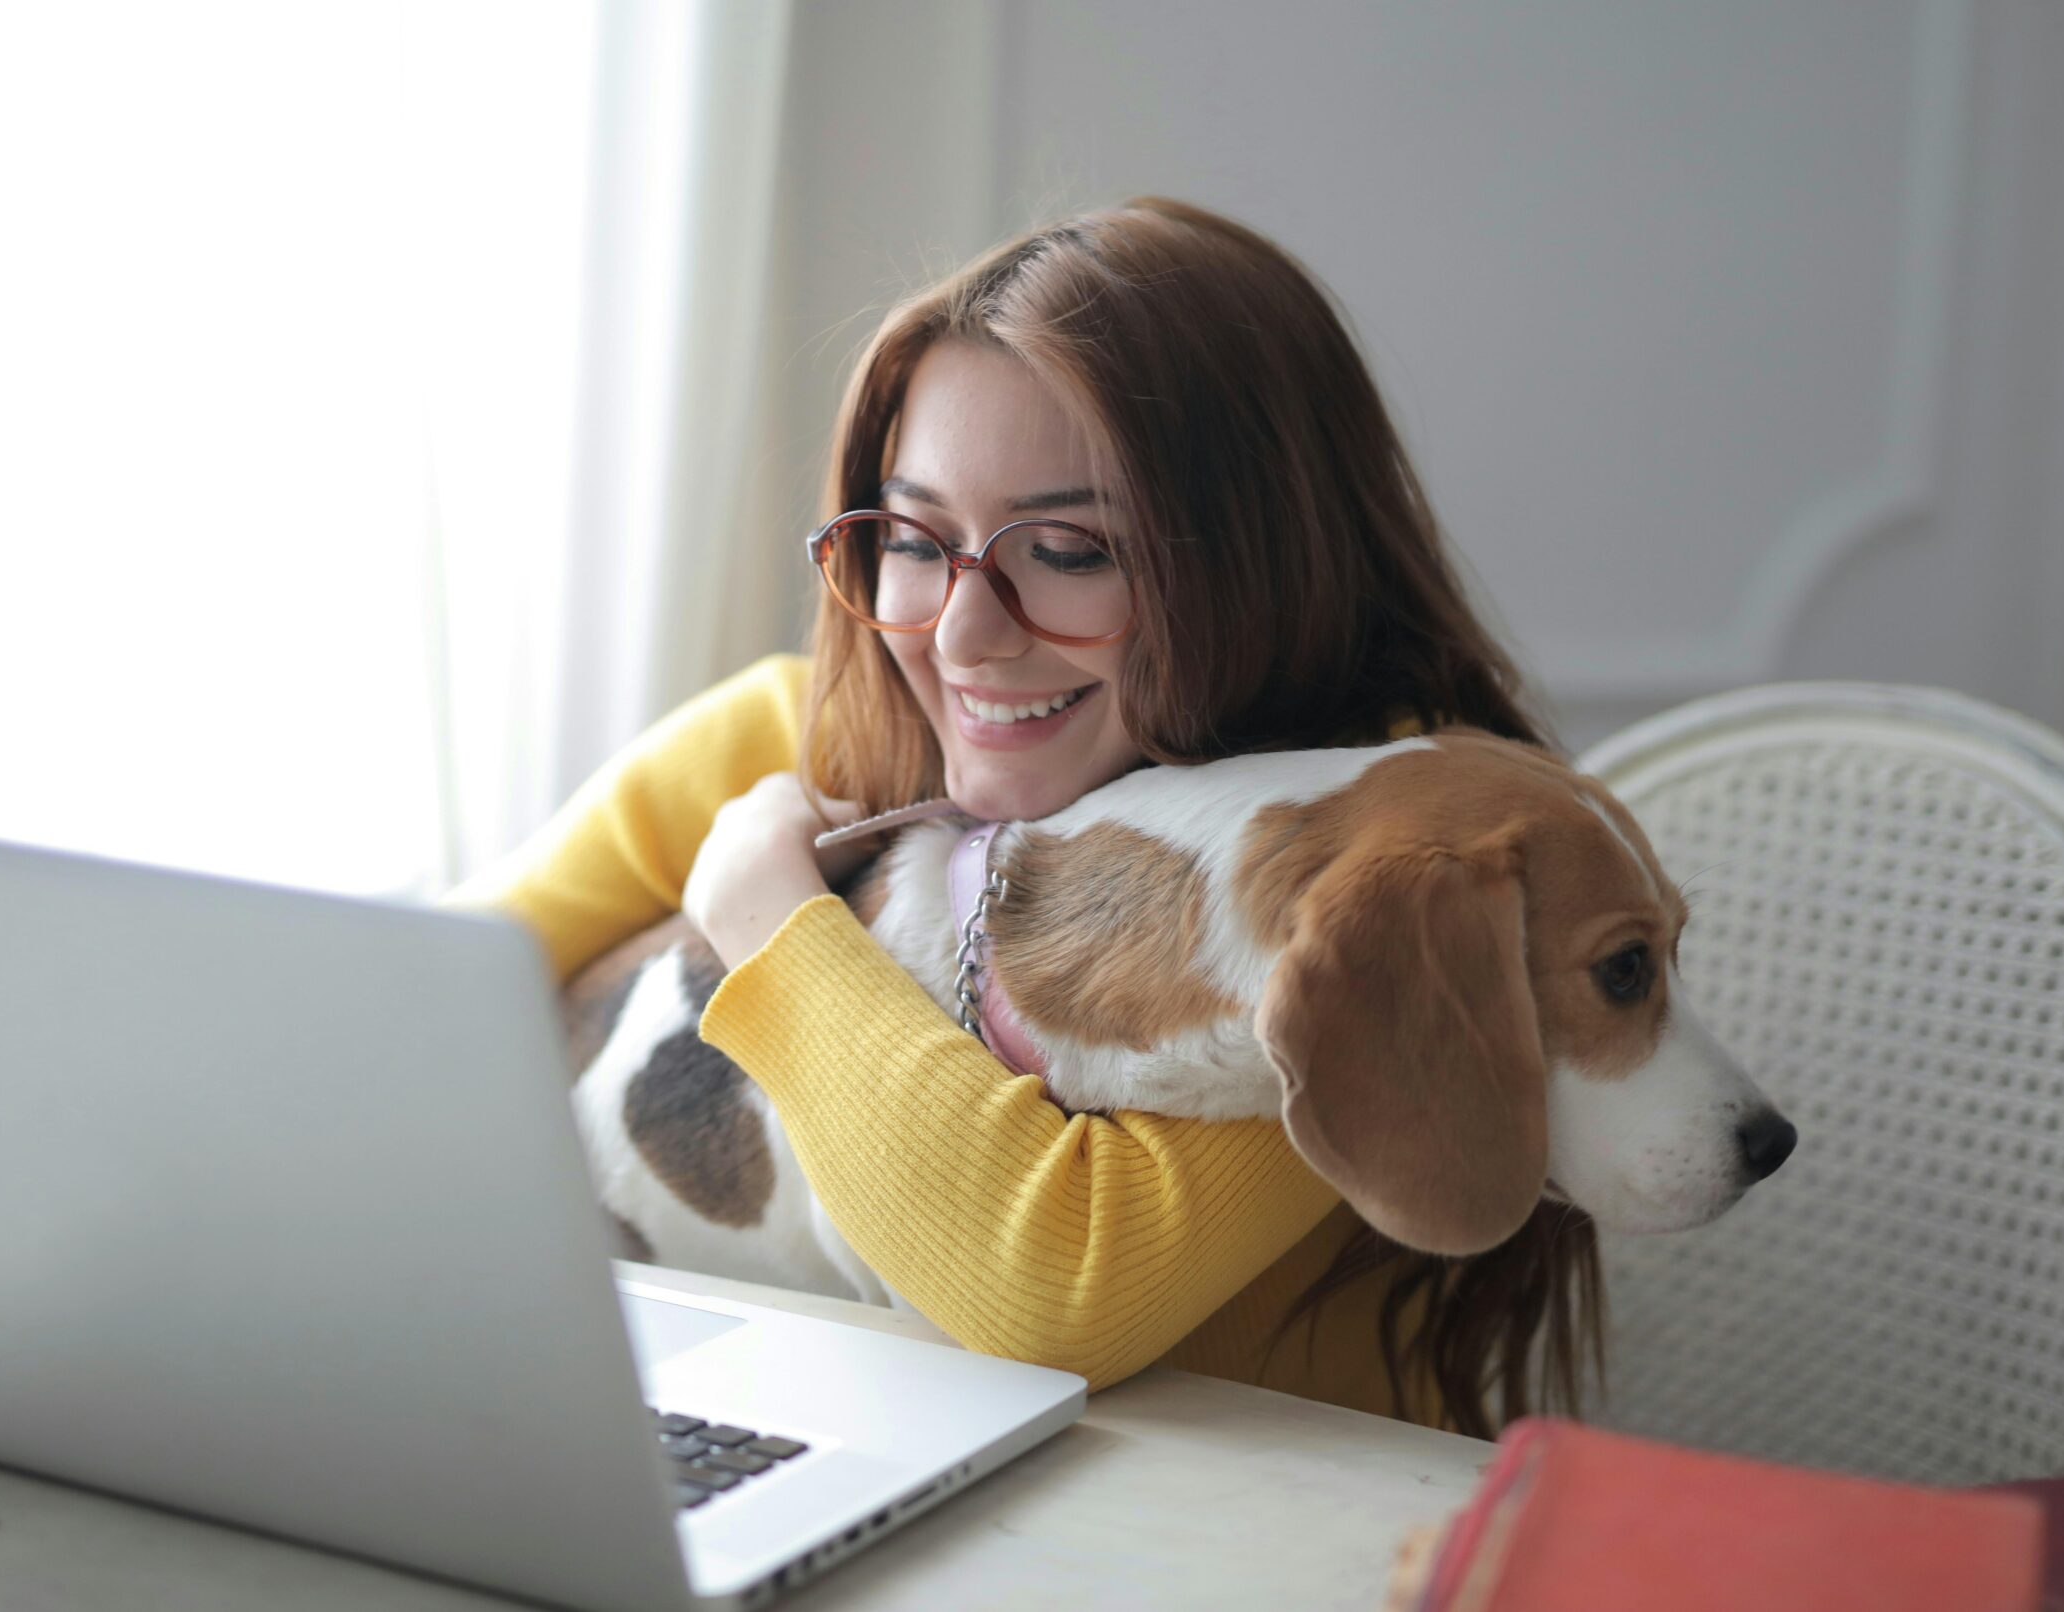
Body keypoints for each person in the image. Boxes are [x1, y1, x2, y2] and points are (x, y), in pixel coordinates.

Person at [441, 196, 1593, 1437]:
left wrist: (770, 926)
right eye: (918, 537)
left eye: (1069, 550)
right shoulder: (787, 738)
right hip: (877, 1473)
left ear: (1266, 563)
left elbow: (1057, 1298)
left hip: (1269, 1538)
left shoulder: (1366, 870)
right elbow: (391, 1013)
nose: (962, 634)